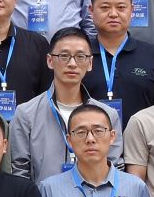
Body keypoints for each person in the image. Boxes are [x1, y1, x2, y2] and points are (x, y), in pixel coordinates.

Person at [12, 27, 125, 179]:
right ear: (50, 61)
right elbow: (20, 171)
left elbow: (115, 168)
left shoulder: (108, 115)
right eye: (64, 56)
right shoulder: (26, 114)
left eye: (80, 56)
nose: (72, 63)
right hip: (42, 194)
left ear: (90, 63)